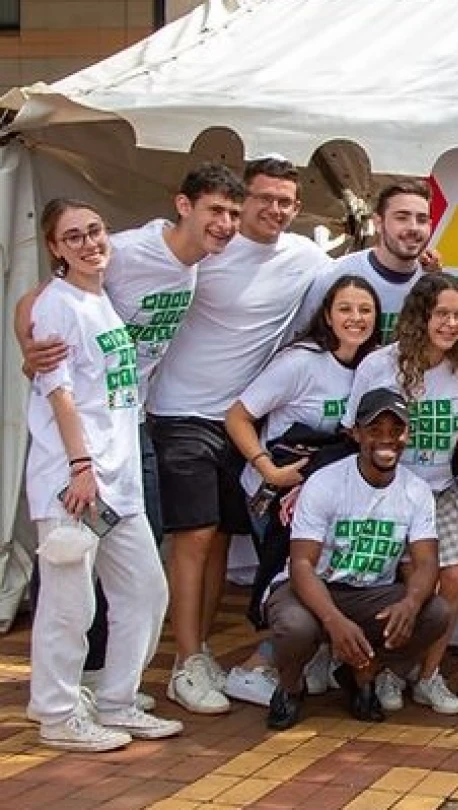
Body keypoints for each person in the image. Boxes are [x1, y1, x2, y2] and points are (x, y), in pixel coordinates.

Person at [15, 162, 245, 706]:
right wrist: (32, 351)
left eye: (233, 214)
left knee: (133, 568)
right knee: (76, 571)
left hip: (127, 426)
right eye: (215, 210)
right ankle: (72, 691)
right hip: (84, 440)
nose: (226, 223)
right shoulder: (125, 249)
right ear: (183, 206)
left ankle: (112, 688)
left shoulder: (199, 263)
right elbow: (38, 302)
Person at [146, 157, 331, 715]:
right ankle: (186, 660)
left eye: (286, 202)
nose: (274, 210)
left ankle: (197, 654)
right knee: (194, 537)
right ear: (241, 199)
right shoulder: (204, 251)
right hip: (180, 412)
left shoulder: (305, 257)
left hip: (241, 421)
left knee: (219, 542)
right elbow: (103, 277)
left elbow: (360, 279)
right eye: (263, 198)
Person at [23, 199, 182, 751]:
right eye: (74, 237)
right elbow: (58, 392)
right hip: (75, 481)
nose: (90, 243)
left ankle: (117, 698)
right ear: (54, 248)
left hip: (119, 482)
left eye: (95, 231)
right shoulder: (58, 305)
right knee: (70, 605)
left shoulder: (100, 298)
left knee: (144, 590)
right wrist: (79, 465)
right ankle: (57, 713)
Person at [344, 272, 458, 715]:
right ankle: (390, 672)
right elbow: (352, 428)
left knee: (453, 577)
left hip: (440, 490)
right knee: (403, 583)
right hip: (389, 489)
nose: (452, 324)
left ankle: (429, 675)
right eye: (443, 314)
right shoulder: (380, 364)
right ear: (421, 316)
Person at [220, 274, 383, 706]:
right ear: (327, 315)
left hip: (325, 497)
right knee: (289, 582)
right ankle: (254, 668)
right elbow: (237, 417)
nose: (355, 318)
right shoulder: (300, 362)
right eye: (345, 308)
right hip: (277, 496)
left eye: (365, 310)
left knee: (330, 579)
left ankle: (309, 662)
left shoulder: (371, 367)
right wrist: (268, 470)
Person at [263, 388, 449, 730]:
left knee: (434, 612)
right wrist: (333, 621)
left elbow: (426, 562)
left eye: (396, 431)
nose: (387, 440)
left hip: (371, 592)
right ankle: (290, 687)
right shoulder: (326, 483)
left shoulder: (416, 490)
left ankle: (363, 673)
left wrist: (410, 602)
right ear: (356, 433)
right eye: (375, 430)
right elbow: (302, 564)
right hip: (314, 587)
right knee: (296, 625)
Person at [296, 179, 434, 342]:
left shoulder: (433, 284)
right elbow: (302, 339)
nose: (413, 227)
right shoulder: (335, 275)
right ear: (378, 223)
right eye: (402, 218)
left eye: (422, 219)